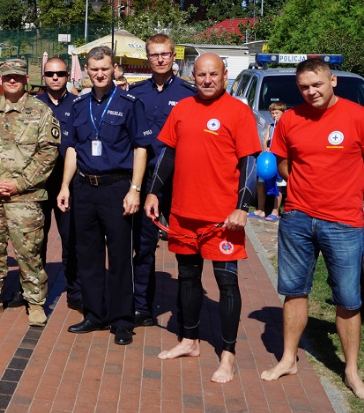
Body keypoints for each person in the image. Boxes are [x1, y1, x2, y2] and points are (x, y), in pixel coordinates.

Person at [144, 54, 259, 383]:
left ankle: (228, 355)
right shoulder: (182, 109)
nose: (207, 80)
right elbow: (167, 156)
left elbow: (249, 163)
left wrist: (243, 206)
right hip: (183, 214)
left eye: (214, 74)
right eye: (201, 75)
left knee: (226, 284)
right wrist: (153, 193)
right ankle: (190, 340)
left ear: (225, 75)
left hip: (223, 219)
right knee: (188, 278)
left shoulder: (238, 112)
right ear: (192, 76)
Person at [261, 59, 364, 397]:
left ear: (332, 80)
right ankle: (289, 358)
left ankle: (351, 369)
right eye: (304, 87)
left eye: (317, 84)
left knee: (348, 298)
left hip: (345, 221)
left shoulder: (356, 116)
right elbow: (282, 161)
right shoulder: (290, 119)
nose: (311, 91)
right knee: (294, 290)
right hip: (297, 218)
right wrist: (306, 187)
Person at [57, 46, 151, 346]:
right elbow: (73, 148)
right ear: (87, 70)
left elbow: (140, 149)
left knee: (121, 256)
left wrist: (135, 189)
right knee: (88, 254)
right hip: (84, 188)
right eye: (94, 69)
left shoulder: (129, 103)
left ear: (115, 70)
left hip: (117, 188)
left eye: (105, 69)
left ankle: (122, 320)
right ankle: (95, 313)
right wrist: (64, 186)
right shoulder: (79, 105)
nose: (99, 74)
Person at [0, 59, 60, 325]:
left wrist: (19, 183)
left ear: (26, 80)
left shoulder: (40, 111)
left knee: (29, 252)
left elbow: (48, 153)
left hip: (26, 197)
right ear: (0, 80)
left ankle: (35, 302)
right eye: (8, 77)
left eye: (17, 77)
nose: (12, 81)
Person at [127, 33, 196, 327]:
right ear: (147, 57)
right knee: (143, 248)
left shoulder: (188, 94)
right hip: (144, 181)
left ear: (173, 57)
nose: (160, 59)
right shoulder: (135, 93)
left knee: (185, 247)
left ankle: (185, 311)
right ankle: (142, 307)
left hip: (178, 181)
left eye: (165, 54)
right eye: (154, 54)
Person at [35, 56, 80, 311]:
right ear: (44, 76)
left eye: (60, 73)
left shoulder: (78, 103)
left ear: (67, 76)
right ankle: (33, 291)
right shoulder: (32, 104)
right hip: (39, 184)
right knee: (35, 241)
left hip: (68, 184)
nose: (55, 77)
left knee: (70, 239)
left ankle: (75, 291)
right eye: (50, 73)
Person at [251, 102, 287, 221]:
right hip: (268, 159)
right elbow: (265, 140)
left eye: (277, 112)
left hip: (278, 160)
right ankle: (260, 210)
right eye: (272, 113)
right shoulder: (270, 126)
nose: (274, 115)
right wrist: (266, 148)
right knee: (260, 183)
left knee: (279, 185)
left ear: (283, 113)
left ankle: (275, 211)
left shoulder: (285, 126)